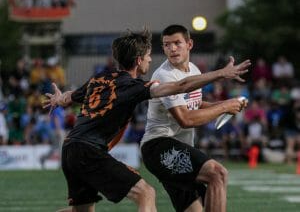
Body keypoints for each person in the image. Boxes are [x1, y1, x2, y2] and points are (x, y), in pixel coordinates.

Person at [44, 28, 249, 212]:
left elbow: (69, 97)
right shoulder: (134, 86)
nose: (151, 60)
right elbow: (180, 88)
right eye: (149, 56)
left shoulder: (99, 79)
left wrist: (58, 98)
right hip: (92, 150)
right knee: (146, 194)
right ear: (139, 60)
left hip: (70, 148)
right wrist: (222, 74)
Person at [140, 25, 250, 212]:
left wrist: (229, 104)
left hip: (178, 149)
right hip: (158, 147)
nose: (172, 48)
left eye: (177, 43)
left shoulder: (194, 70)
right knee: (218, 174)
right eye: (167, 45)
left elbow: (195, 104)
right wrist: (224, 106)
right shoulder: (164, 75)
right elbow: (186, 119)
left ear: (189, 44)